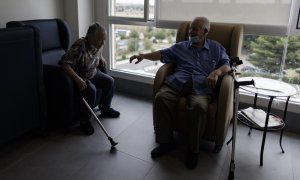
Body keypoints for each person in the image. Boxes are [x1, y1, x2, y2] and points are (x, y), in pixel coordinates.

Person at [129, 17, 231, 169]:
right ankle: (166, 142)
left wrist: (216, 72)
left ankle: (193, 150)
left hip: (201, 87)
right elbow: (162, 54)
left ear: (205, 32)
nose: (191, 32)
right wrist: (143, 56)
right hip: (177, 82)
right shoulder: (181, 47)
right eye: (191, 28)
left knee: (198, 107)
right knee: (161, 98)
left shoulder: (216, 48)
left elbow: (227, 65)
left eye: (195, 29)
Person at [59, 23, 120, 135]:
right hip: (81, 75)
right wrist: (77, 79)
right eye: (101, 40)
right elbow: (64, 64)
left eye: (104, 40)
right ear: (91, 38)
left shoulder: (98, 44)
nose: (103, 43)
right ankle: (84, 121)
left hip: (93, 72)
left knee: (109, 81)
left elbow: (98, 50)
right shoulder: (79, 47)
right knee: (91, 90)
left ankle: (105, 108)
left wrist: (101, 57)